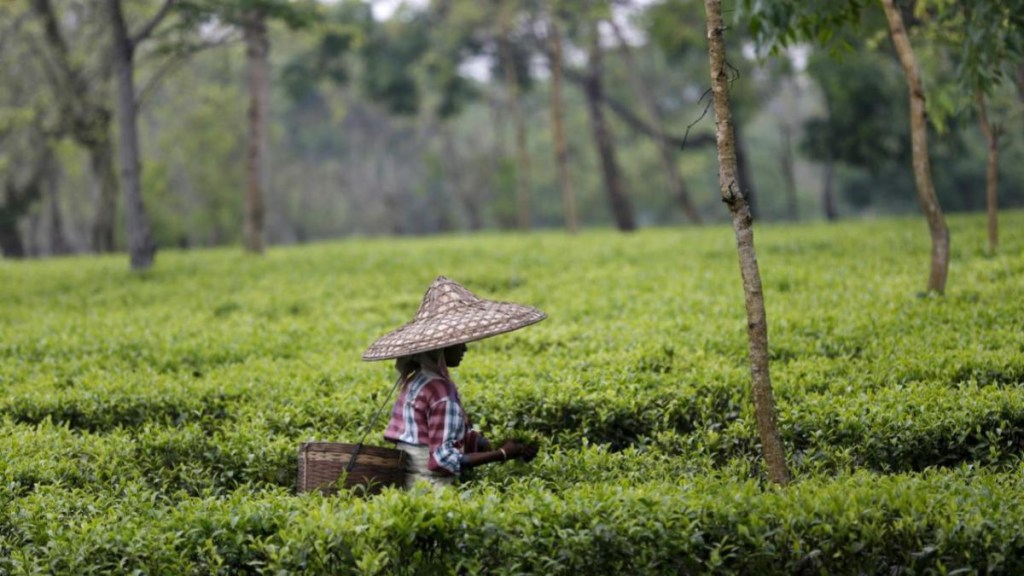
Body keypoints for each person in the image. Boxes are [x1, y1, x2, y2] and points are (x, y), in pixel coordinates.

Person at [362, 276, 546, 489]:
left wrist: (501, 446)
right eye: (458, 343)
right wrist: (502, 454)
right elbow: (442, 460)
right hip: (433, 488)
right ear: (441, 348)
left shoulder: (416, 380)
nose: (465, 348)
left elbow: (446, 436)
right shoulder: (440, 392)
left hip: (407, 484)